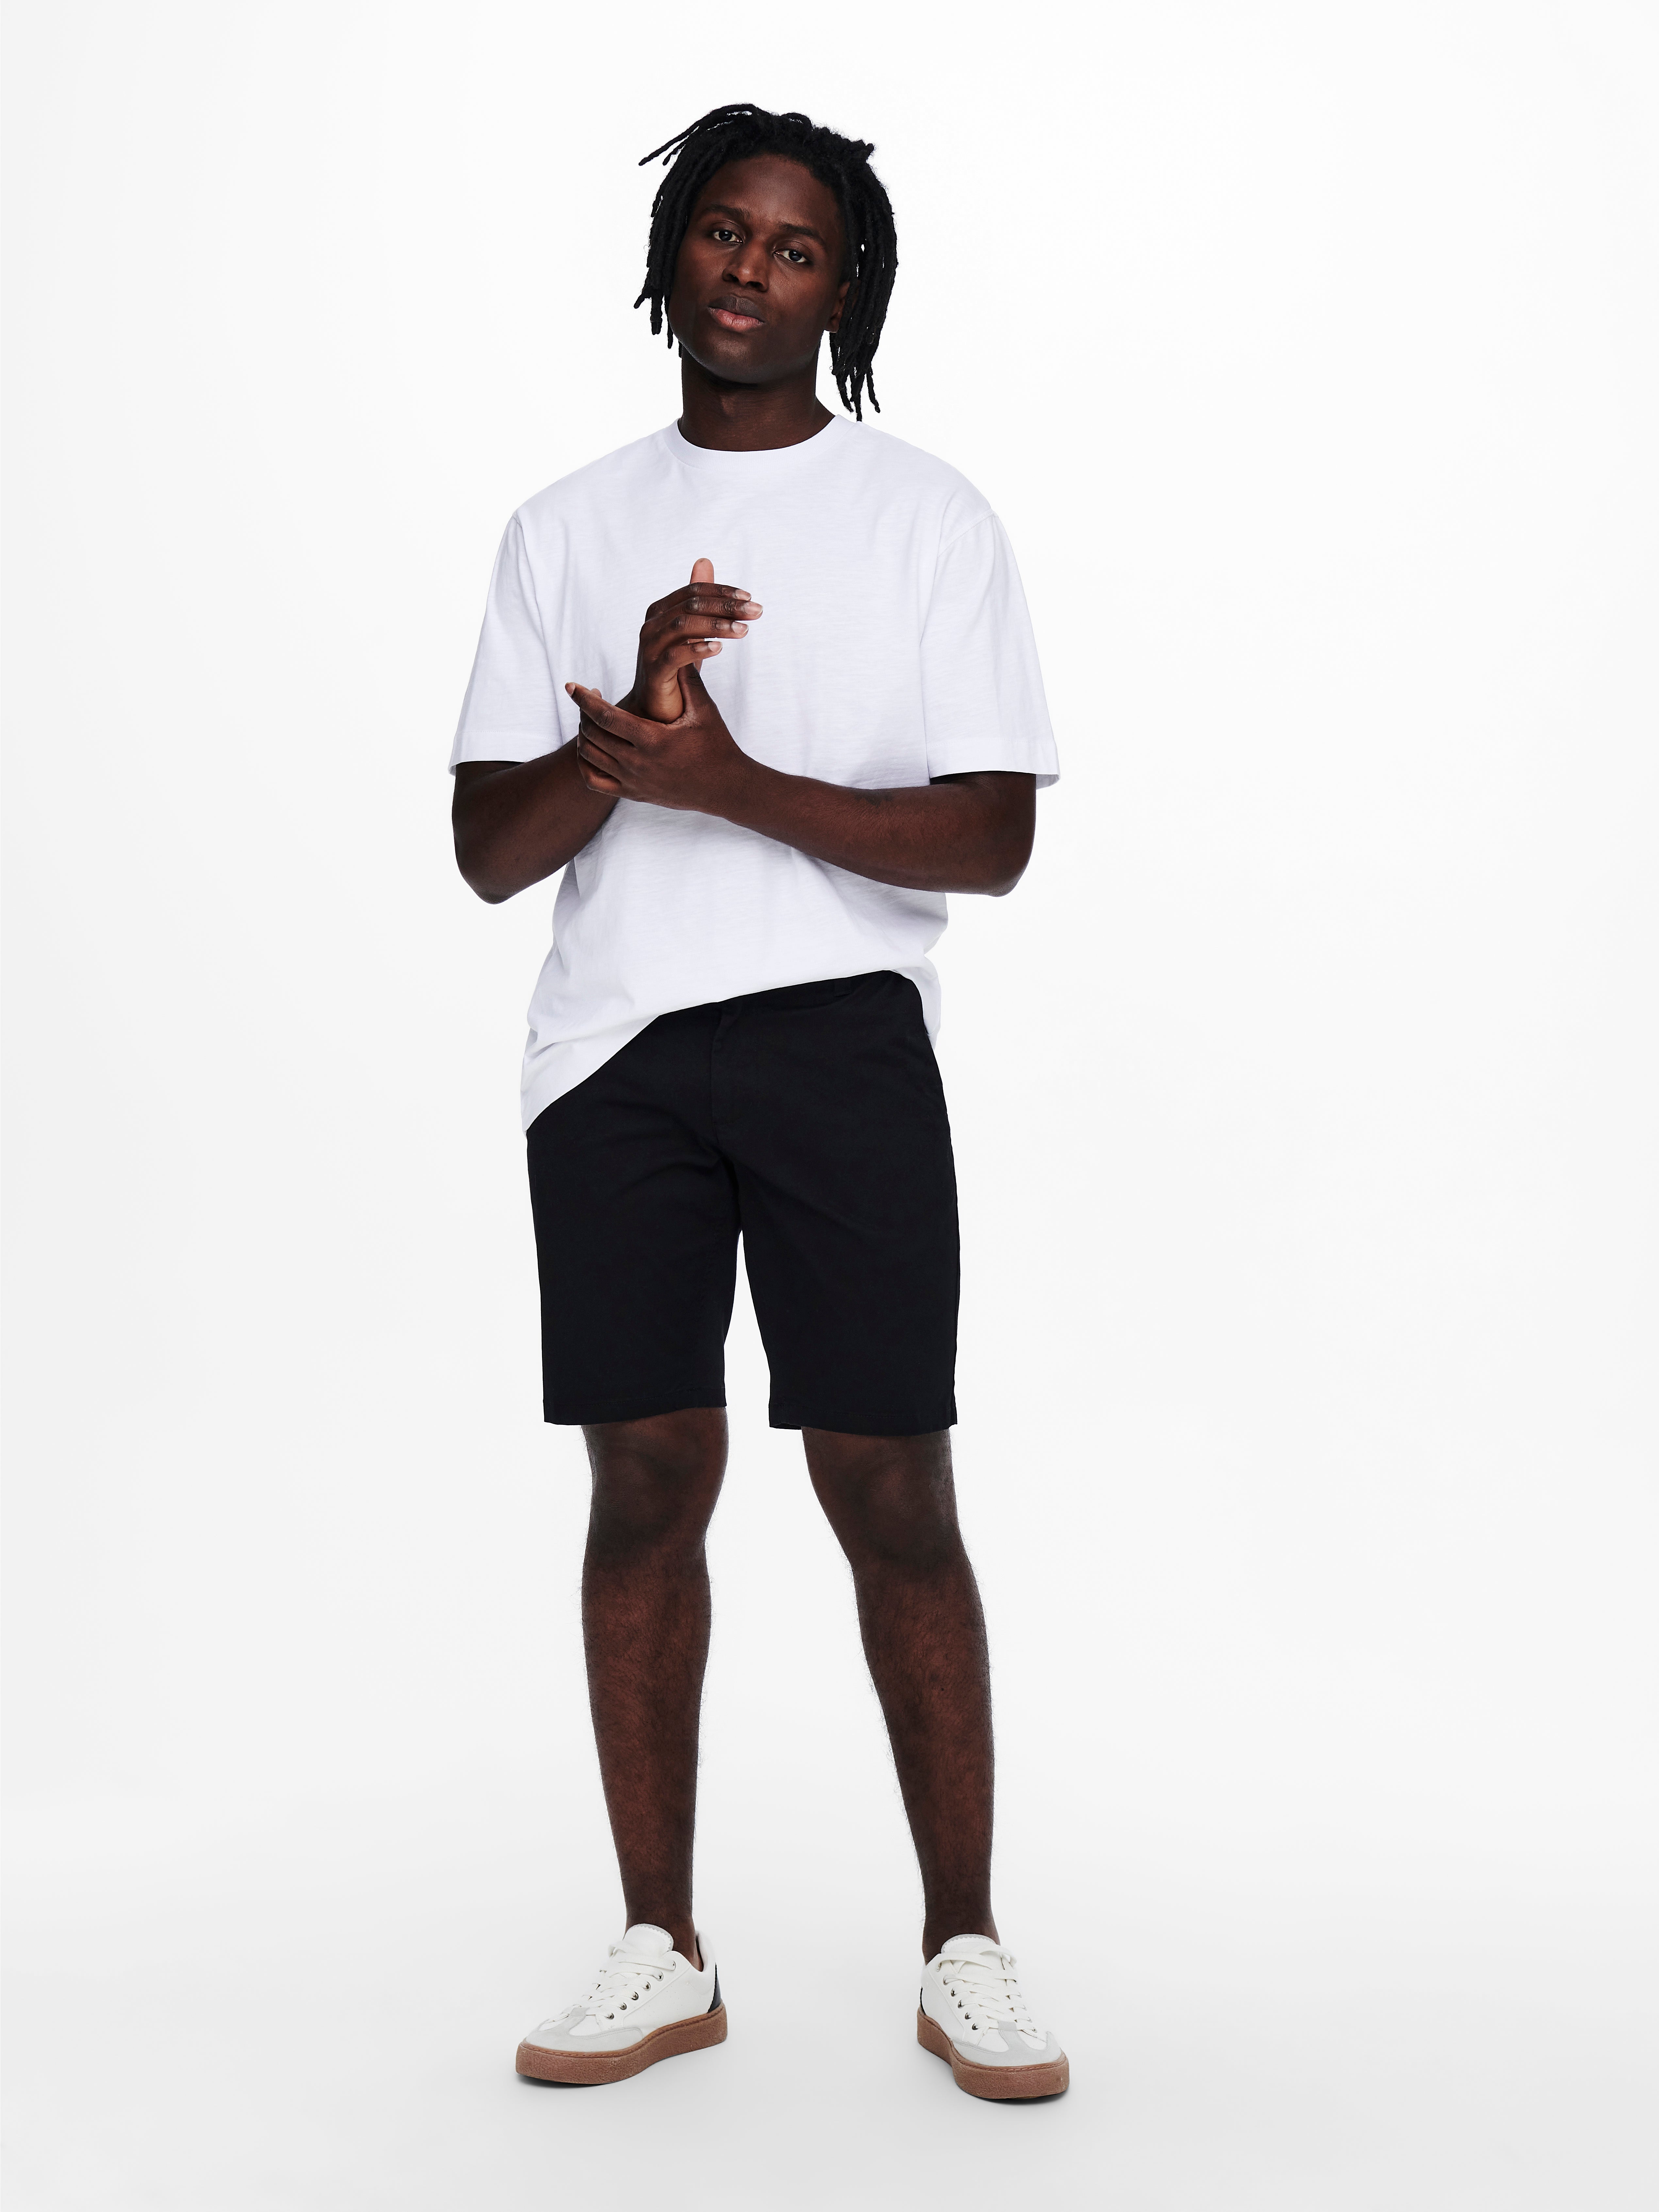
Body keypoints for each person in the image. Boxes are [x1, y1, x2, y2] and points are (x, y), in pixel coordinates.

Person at [450, 103, 1064, 2102]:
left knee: (891, 1487)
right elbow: (486, 850)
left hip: (838, 1043)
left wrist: (728, 783)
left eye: (796, 249)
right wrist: (629, 741)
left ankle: (963, 1944)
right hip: (612, 1059)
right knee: (645, 1480)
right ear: (672, 255)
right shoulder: (564, 528)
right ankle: (661, 1943)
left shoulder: (926, 521)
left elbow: (989, 836)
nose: (749, 270)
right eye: (722, 231)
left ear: (842, 290)